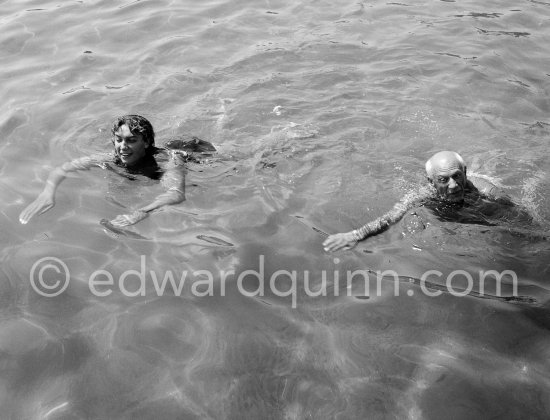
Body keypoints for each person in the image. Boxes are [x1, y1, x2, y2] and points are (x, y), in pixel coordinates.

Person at [19, 115, 214, 228]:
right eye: (119, 140)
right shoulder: (110, 158)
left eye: (131, 140)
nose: (122, 147)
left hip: (201, 156)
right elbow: (63, 168)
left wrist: (141, 212)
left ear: (146, 142)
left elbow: (176, 194)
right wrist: (47, 193)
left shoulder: (166, 162)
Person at [323, 151, 512, 252]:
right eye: (443, 179)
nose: (453, 186)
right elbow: (391, 218)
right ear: (431, 182)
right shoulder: (423, 194)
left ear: (465, 173)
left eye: (457, 176)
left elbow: (517, 212)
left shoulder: (484, 189)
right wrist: (356, 235)